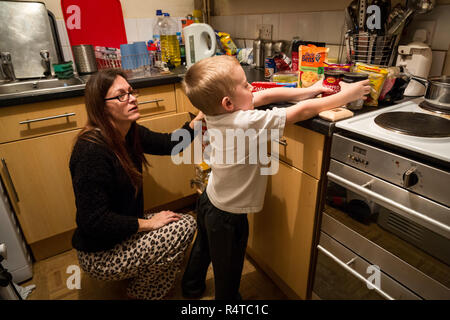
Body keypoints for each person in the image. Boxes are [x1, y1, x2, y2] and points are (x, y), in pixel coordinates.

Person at [181, 55, 371, 299]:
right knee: (228, 270)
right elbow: (302, 112)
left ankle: (191, 286)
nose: (252, 87)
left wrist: (310, 89)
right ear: (228, 102)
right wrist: (348, 94)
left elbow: (266, 96)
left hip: (209, 200)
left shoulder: (215, 112)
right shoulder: (244, 121)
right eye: (245, 85)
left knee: (204, 247)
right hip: (228, 217)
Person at [69, 68, 204, 300]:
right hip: (101, 254)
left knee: (175, 223)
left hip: (118, 236)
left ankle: (139, 275)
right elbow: (94, 222)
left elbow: (168, 144)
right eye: (121, 95)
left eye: (131, 92)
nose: (132, 98)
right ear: (101, 106)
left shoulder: (127, 131)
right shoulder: (91, 151)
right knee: (184, 227)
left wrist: (197, 124)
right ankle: (142, 294)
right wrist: (147, 224)